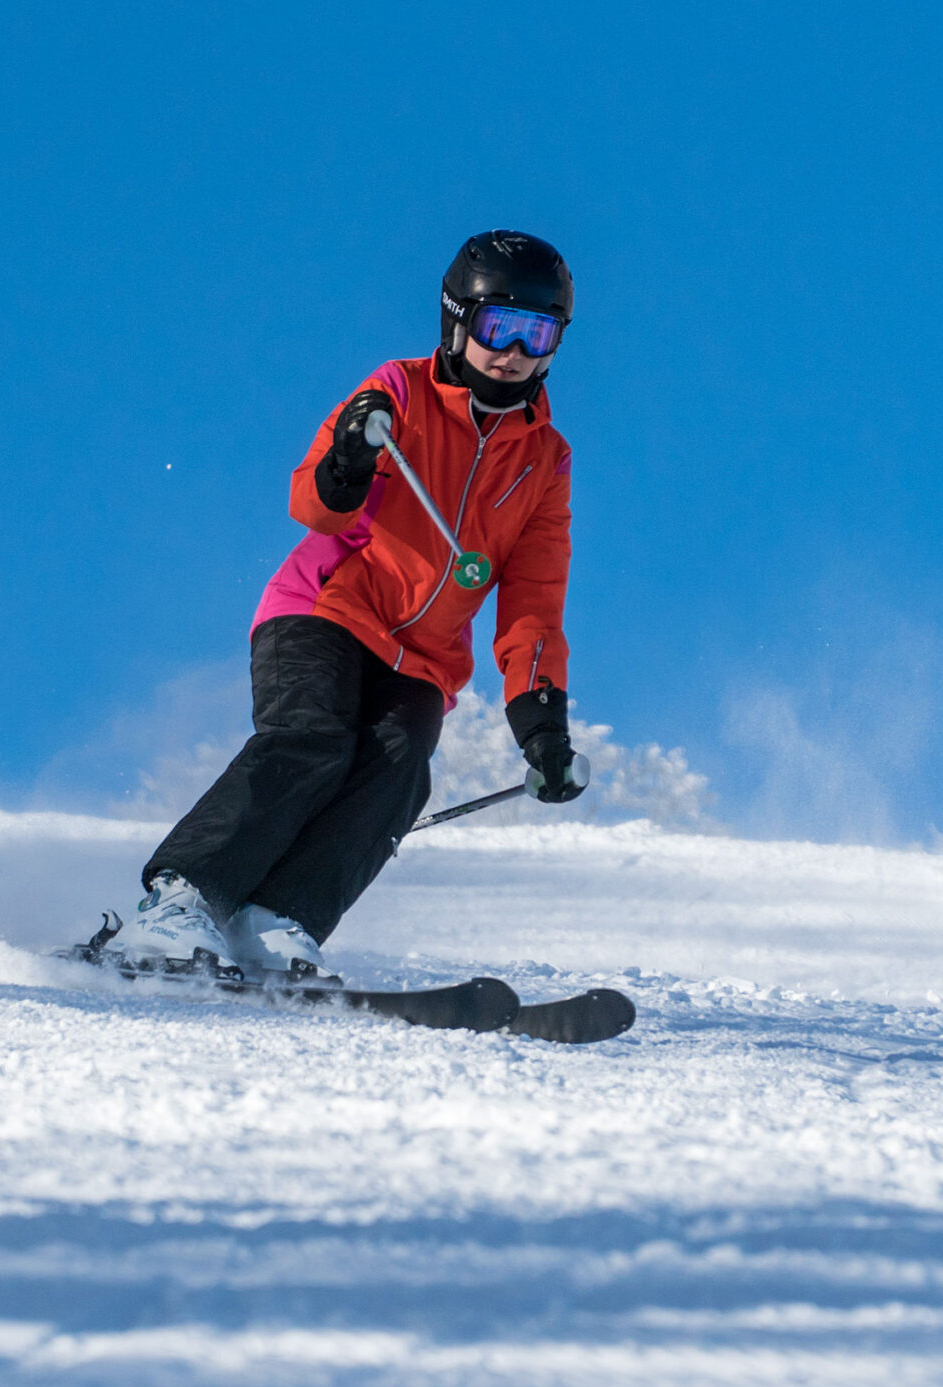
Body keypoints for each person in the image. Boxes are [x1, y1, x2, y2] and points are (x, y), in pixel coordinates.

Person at [111, 230, 587, 979]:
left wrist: (541, 723)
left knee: (399, 768)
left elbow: (533, 599)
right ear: (458, 320)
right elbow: (313, 502)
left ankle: (278, 919)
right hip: (325, 608)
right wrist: (349, 460)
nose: (515, 352)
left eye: (539, 333)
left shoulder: (545, 461)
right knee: (313, 737)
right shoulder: (399, 389)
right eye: (501, 327)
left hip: (424, 659)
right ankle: (182, 899)